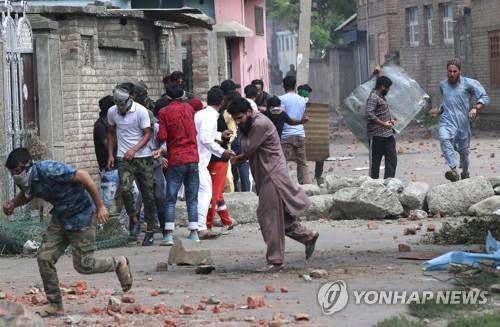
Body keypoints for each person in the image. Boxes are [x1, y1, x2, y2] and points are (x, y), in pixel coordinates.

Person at [3, 148, 133, 317]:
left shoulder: (49, 169)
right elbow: (29, 194)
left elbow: (84, 176)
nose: (16, 176)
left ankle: (118, 263)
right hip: (61, 217)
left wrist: (100, 206)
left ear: (29, 165)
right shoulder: (27, 179)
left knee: (84, 265)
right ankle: (55, 304)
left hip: (82, 214)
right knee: (44, 257)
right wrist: (13, 203)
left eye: (18, 171)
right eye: (13, 172)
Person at [228, 98, 319, 272]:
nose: (238, 122)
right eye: (235, 119)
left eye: (239, 118)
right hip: (266, 175)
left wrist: (237, 156)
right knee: (280, 218)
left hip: (273, 176)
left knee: (268, 218)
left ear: (248, 112)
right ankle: (308, 236)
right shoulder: (250, 124)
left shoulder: (259, 124)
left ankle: (275, 260)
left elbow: (247, 148)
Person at [107, 85, 156, 245]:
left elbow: (148, 133)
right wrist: (110, 155)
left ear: (130, 99)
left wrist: (134, 149)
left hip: (144, 157)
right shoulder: (112, 112)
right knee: (125, 189)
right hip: (123, 157)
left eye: (123, 104)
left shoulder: (141, 111)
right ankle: (134, 219)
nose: (121, 108)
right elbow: (111, 133)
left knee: (148, 195)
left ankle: (149, 230)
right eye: (118, 105)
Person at [430, 58, 489, 181]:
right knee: (444, 138)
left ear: (459, 71)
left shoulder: (469, 84)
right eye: (449, 71)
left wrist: (475, 108)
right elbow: (446, 101)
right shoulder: (443, 85)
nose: (451, 74)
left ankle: (465, 172)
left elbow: (484, 97)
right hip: (447, 121)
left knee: (464, 153)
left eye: (454, 71)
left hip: (462, 123)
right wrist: (439, 110)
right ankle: (453, 169)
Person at [157, 85, 200, 245]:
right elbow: (194, 131)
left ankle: (168, 235)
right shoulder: (189, 109)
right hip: (193, 158)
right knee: (192, 198)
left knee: (171, 198)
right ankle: (194, 232)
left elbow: (162, 136)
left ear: (167, 98)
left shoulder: (164, 112)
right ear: (182, 96)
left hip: (176, 159)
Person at [195, 86, 235, 239]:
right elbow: (205, 139)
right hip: (200, 161)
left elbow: (204, 135)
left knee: (202, 193)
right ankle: (202, 227)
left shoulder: (200, 114)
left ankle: (199, 226)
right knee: (206, 193)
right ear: (222, 101)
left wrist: (219, 134)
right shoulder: (212, 116)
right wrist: (222, 151)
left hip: (197, 159)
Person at [279, 76, 312, 185]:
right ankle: (306, 185)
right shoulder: (302, 100)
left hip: (286, 134)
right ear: (295, 85)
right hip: (300, 134)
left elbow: (281, 116)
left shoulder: (281, 99)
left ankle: (284, 185)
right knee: (302, 162)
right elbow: (302, 115)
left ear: (284, 86)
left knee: (283, 162)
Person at [366, 75, 397, 179]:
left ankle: (388, 184)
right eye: (388, 87)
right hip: (377, 136)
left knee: (392, 161)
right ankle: (373, 187)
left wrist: (390, 122)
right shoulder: (373, 97)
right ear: (383, 87)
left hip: (388, 135)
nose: (389, 90)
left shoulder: (381, 97)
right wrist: (384, 124)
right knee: (375, 164)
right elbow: (369, 114)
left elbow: (380, 114)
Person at [297, 84, 325, 187]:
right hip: (299, 134)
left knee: (320, 157)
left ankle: (318, 176)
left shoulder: (314, 108)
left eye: (305, 95)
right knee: (301, 159)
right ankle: (302, 181)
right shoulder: (295, 105)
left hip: (313, 136)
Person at [93, 95, 118, 211]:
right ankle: (99, 227)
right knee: (105, 203)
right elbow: (108, 144)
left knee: (134, 195)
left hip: (121, 166)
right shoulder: (100, 125)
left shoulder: (112, 124)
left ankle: (123, 224)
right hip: (110, 170)